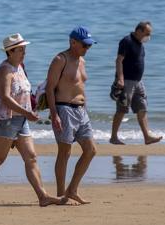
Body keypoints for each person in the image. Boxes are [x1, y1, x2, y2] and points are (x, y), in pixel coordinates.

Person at [0, 33, 62, 207]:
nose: (24, 52)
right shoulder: (4, 70)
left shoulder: (20, 67)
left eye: (24, 49)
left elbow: (23, 93)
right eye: (20, 50)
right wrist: (27, 113)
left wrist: (35, 104)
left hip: (21, 120)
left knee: (31, 157)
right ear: (10, 52)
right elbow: (6, 98)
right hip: (5, 120)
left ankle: (43, 196)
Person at [46, 26, 97, 205]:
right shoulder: (60, 59)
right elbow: (49, 89)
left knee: (91, 151)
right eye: (84, 45)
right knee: (64, 153)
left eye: (89, 46)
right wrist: (54, 114)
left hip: (81, 111)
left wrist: (86, 108)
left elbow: (81, 87)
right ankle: (61, 194)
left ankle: (72, 189)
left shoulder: (82, 60)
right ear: (73, 42)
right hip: (64, 109)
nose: (87, 49)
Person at [109, 21, 162, 145]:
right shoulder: (126, 41)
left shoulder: (140, 44)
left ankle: (147, 136)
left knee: (142, 108)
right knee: (122, 109)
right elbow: (119, 61)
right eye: (147, 33)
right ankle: (114, 137)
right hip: (126, 81)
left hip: (138, 82)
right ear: (139, 31)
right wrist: (120, 79)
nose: (149, 37)